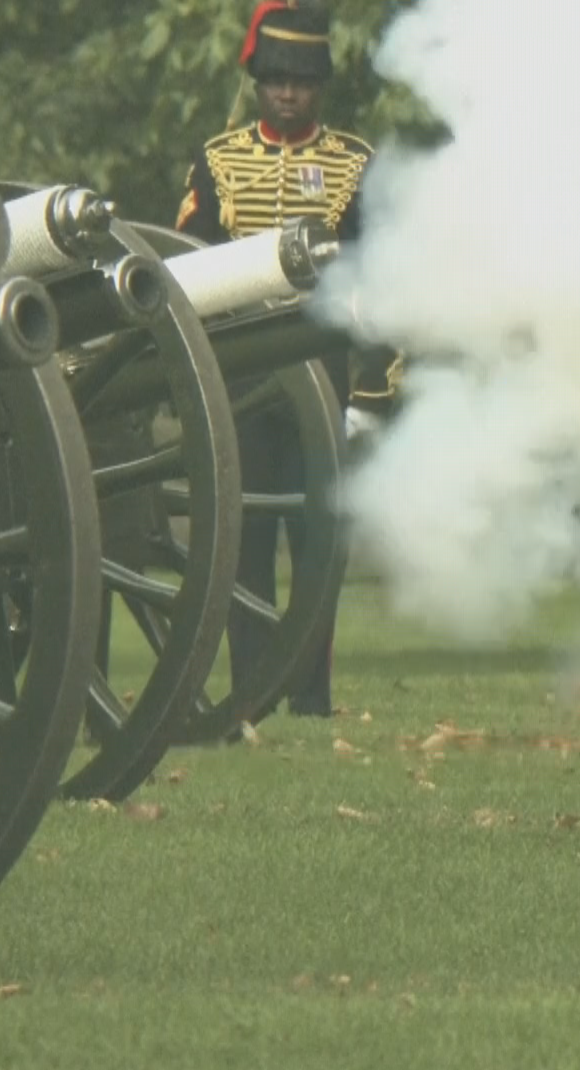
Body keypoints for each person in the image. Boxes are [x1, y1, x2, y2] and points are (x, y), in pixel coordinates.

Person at [175, 0, 393, 720]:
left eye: (301, 82)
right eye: (276, 80)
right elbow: (189, 271)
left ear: (319, 86)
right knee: (245, 540)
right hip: (241, 373)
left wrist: (371, 392)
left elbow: (382, 283)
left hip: (321, 368)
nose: (288, 93)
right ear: (258, 82)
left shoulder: (354, 164)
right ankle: (250, 689)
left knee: (316, 538)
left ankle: (309, 693)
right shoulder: (217, 161)